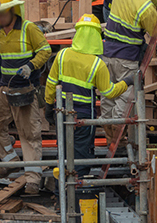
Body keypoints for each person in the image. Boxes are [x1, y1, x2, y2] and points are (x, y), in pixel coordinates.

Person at [0, 0, 53, 194]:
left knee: (29, 134)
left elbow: (45, 50)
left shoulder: (29, 28)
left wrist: (31, 66)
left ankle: (32, 180)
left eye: (1, 13)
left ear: (12, 10)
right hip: (5, 87)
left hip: (26, 88)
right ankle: (10, 160)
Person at [44, 14, 133, 178]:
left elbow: (50, 84)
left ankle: (60, 193)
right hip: (84, 117)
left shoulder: (62, 55)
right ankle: (78, 191)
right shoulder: (97, 64)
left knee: (63, 153)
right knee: (82, 156)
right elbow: (109, 92)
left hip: (61, 112)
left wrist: (49, 107)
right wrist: (127, 81)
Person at [100, 0, 157, 135]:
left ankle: (111, 141)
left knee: (108, 99)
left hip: (107, 55)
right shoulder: (146, 8)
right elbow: (156, 34)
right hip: (127, 60)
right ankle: (119, 141)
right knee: (123, 103)